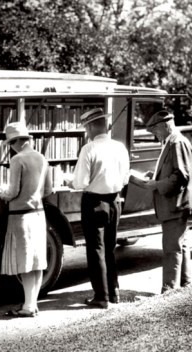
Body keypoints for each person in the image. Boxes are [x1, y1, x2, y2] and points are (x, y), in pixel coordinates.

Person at [133, 111, 192, 293]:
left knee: (171, 247)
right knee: (181, 244)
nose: (155, 135)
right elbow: (176, 172)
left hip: (175, 204)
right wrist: (155, 177)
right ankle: (185, 284)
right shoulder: (173, 141)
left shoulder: (176, 143)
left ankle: (169, 289)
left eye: (155, 130)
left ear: (165, 125)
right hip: (179, 203)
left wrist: (156, 184)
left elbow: (180, 176)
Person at [0, 122, 53, 317]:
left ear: (17, 142)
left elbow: (12, 192)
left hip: (20, 216)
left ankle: (28, 307)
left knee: (25, 262)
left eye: (10, 143)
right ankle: (32, 304)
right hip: (38, 214)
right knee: (37, 261)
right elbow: (48, 190)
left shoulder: (18, 160)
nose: (10, 147)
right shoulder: (42, 158)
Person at [71, 108, 129, 309]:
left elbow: (80, 182)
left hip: (94, 202)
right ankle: (114, 292)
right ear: (105, 125)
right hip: (114, 201)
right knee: (110, 248)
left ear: (89, 127)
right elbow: (125, 178)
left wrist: (70, 181)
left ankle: (101, 297)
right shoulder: (119, 147)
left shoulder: (89, 149)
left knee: (96, 249)